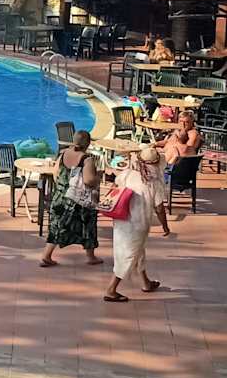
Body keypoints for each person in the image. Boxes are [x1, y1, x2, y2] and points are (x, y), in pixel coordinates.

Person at [103, 146, 166, 301]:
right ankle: (111, 289)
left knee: (137, 250)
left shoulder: (128, 173)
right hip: (139, 223)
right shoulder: (154, 182)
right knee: (129, 254)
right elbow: (159, 208)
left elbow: (116, 185)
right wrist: (165, 226)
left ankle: (146, 282)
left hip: (121, 218)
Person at [40, 129, 102, 269]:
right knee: (88, 225)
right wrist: (98, 177)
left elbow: (55, 174)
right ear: (88, 143)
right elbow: (88, 181)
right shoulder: (86, 159)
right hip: (77, 201)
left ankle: (46, 256)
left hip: (60, 197)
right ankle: (91, 256)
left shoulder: (63, 154)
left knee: (56, 227)